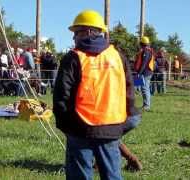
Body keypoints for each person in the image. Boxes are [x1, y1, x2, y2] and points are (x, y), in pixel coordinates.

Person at [53, 10, 142, 180]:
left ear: (88, 32)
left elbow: (61, 97)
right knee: (112, 175)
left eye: (76, 32)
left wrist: (66, 126)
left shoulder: (73, 58)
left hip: (79, 128)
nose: (74, 38)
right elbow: (128, 92)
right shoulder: (118, 56)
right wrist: (121, 124)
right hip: (111, 127)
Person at [134, 36, 155, 111]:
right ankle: (144, 105)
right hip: (143, 72)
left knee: (144, 88)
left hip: (145, 72)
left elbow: (144, 63)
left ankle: (147, 106)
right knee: (137, 87)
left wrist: (139, 73)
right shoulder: (144, 51)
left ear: (142, 43)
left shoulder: (146, 51)